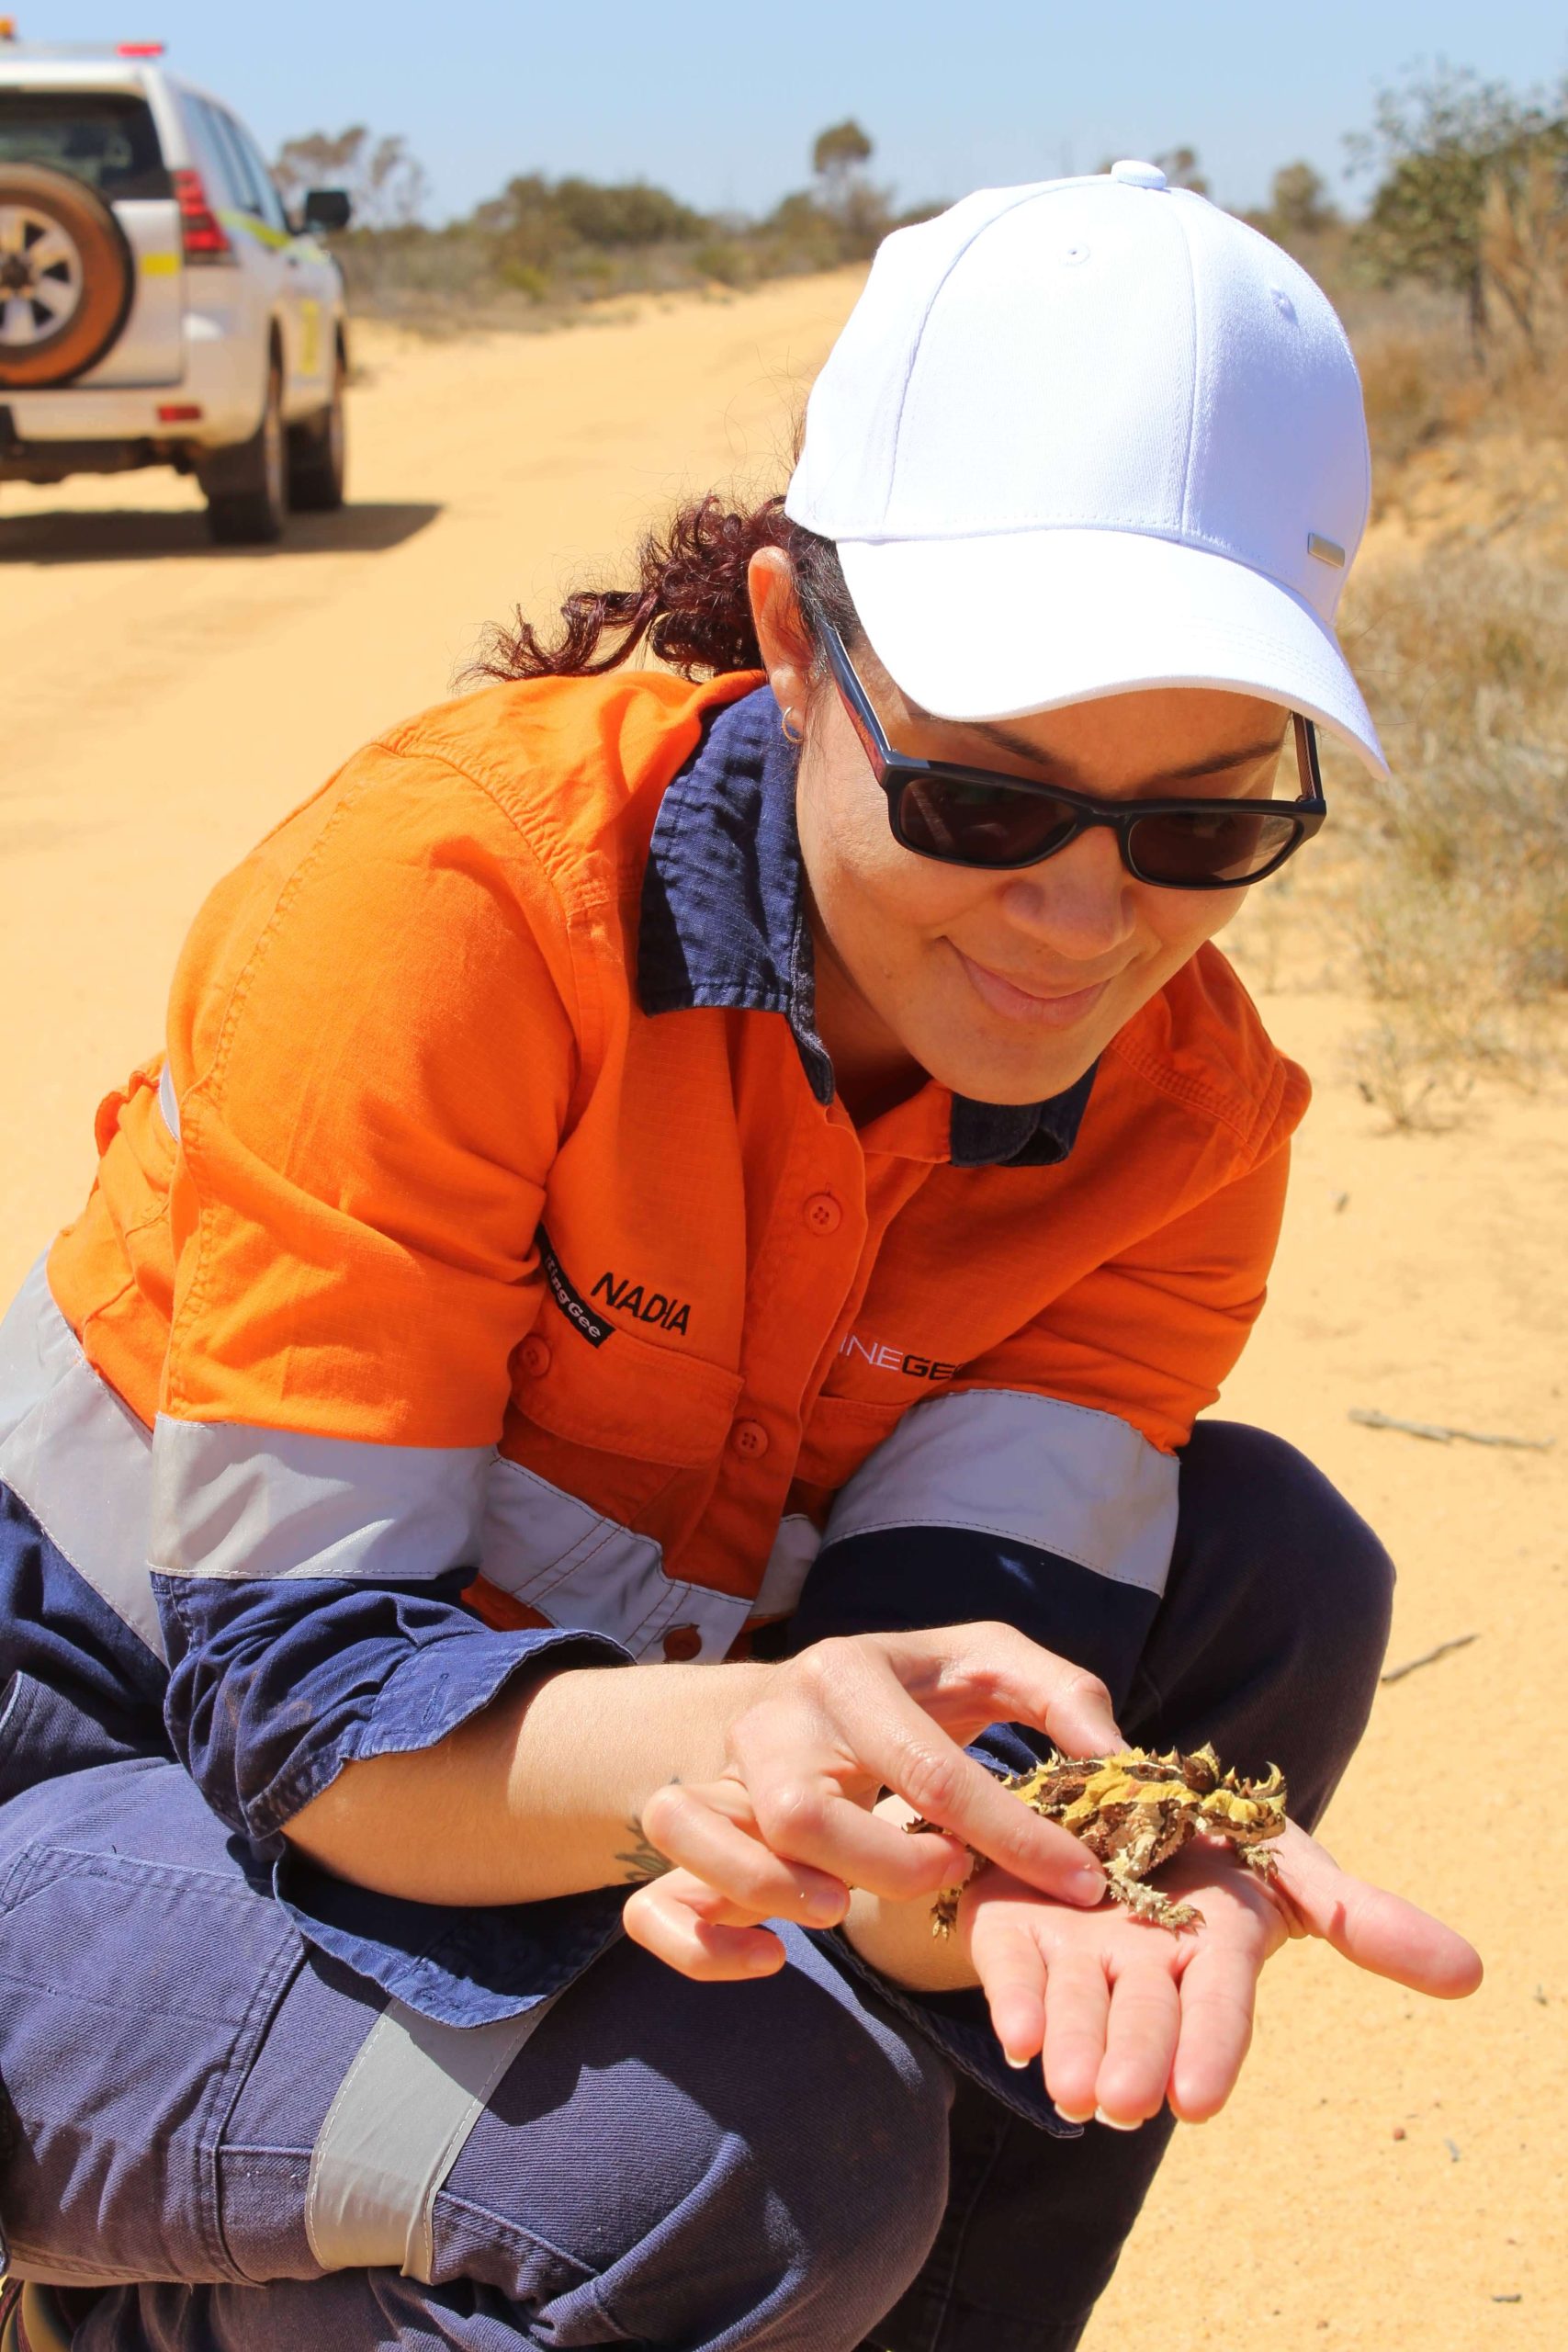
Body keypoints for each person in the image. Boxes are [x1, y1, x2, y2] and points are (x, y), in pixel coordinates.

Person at [0, 164, 1478, 2352]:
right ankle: (137, 2301)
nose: (1084, 921)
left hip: (517, 1765)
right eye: (986, 798)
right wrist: (750, 1732)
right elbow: (309, 1714)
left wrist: (976, 1872)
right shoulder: (458, 908)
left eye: (1199, 823)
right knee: (733, 2158)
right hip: (118, 1769)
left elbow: (935, 1689)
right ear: (794, 643)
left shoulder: (1180, 1120)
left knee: (1260, 1572)